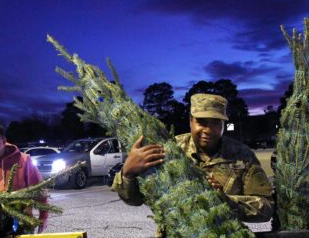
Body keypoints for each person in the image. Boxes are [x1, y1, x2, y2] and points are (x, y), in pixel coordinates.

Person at [112, 93, 274, 223]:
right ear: (190, 121)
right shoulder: (169, 150)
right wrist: (128, 173)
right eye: (201, 122)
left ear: (223, 125)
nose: (208, 130)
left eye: (216, 123)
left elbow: (266, 209)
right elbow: (134, 200)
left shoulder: (243, 156)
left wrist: (226, 201)